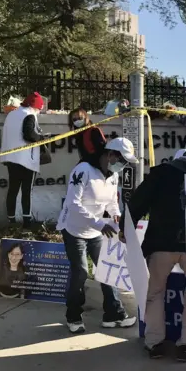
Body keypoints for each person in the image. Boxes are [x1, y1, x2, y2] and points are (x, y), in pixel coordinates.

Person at [120, 148, 186, 362]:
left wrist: (128, 230)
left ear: (175, 159)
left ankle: (154, 343)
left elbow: (136, 203)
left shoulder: (160, 173)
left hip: (160, 245)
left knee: (154, 294)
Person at [57, 137, 139, 334]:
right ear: (109, 154)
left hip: (96, 229)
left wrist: (116, 215)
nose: (124, 165)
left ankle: (114, 313)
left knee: (106, 269)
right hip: (74, 229)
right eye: (122, 160)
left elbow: (111, 202)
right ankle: (73, 316)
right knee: (81, 271)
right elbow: (73, 204)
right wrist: (99, 223)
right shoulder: (83, 170)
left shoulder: (112, 176)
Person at [0, 92, 47, 227]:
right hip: (26, 159)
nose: (39, 112)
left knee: (13, 189)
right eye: (39, 109)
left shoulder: (12, 114)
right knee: (27, 191)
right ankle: (27, 221)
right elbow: (29, 134)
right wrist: (41, 138)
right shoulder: (29, 115)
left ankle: (11, 220)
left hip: (10, 158)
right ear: (35, 106)